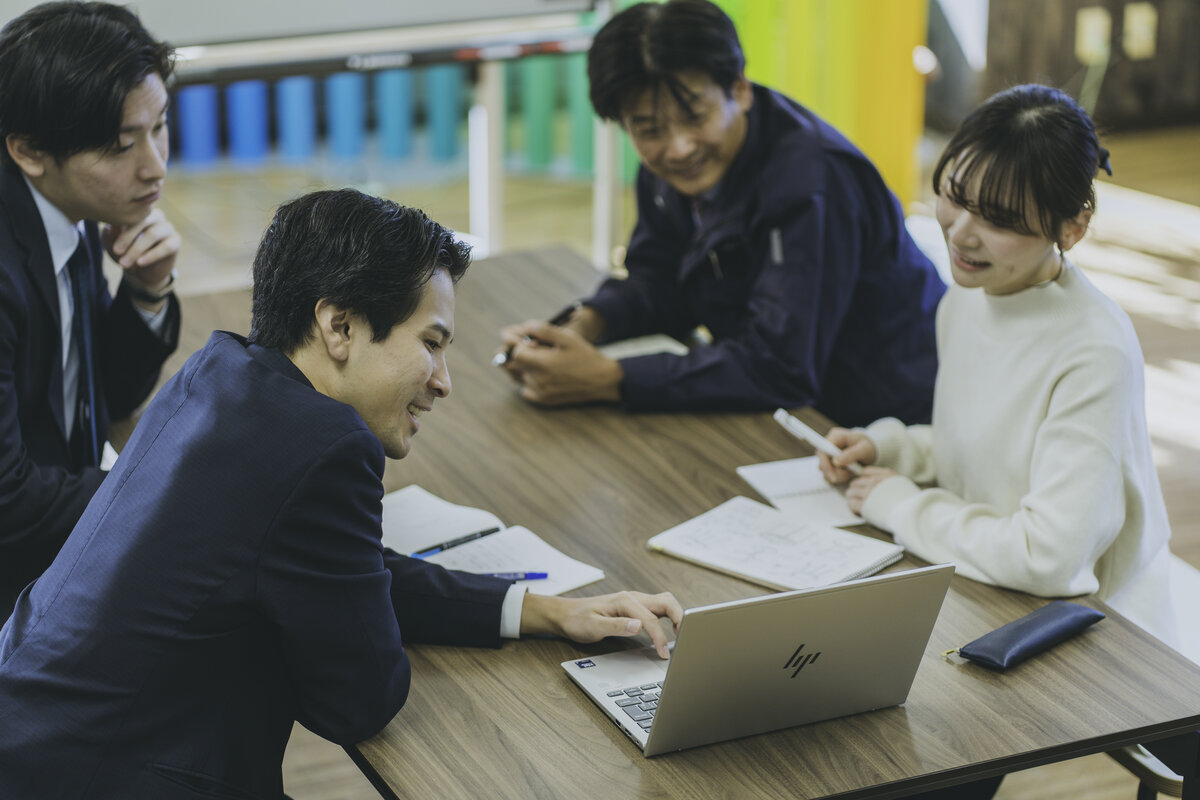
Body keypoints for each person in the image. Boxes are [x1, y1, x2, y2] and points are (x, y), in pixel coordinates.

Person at [0, 188, 682, 800]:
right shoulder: (327, 444)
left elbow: (334, 570)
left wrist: (546, 611)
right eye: (431, 343)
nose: (444, 380)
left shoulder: (219, 373)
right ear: (339, 327)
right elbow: (360, 701)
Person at [819, 84, 1179, 653]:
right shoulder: (968, 296)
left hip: (1093, 640)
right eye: (954, 195)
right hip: (988, 592)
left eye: (1000, 219)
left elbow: (1049, 557)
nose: (961, 232)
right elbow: (984, 454)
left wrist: (901, 505)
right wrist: (888, 450)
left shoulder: (1093, 350)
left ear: (1072, 228)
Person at [498, 0, 944, 426]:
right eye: (648, 128)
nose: (679, 147)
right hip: (794, 412)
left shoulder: (812, 182)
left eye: (695, 116)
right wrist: (589, 322)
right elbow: (659, 279)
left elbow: (780, 367)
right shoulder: (673, 168)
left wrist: (610, 379)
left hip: (886, 421)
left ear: (740, 89)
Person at [0, 1, 182, 619]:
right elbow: (8, 500)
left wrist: (145, 290)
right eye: (120, 145)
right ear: (28, 150)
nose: (155, 166)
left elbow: (107, 397)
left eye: (159, 127)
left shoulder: (64, 210)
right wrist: (169, 488)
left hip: (60, 544)